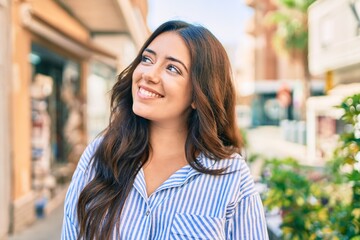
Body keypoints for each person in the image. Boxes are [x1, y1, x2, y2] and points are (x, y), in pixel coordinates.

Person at [61, 20, 269, 240]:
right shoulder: (100, 153)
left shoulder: (231, 176)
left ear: (199, 95)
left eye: (172, 68)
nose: (149, 74)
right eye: (147, 59)